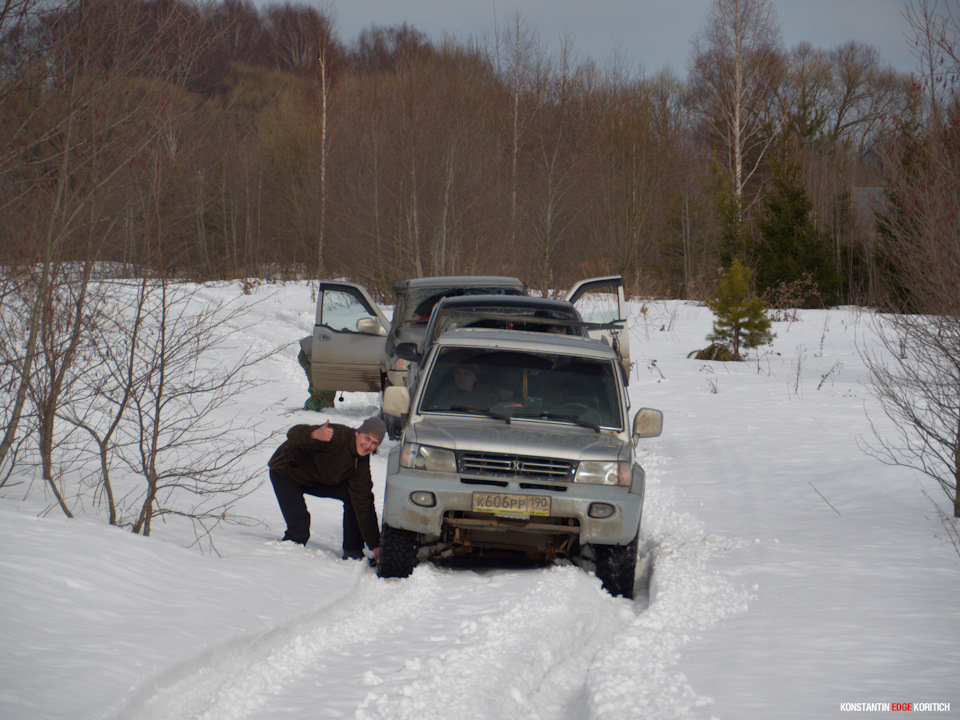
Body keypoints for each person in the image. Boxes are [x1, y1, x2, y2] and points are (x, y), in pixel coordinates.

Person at [268, 416, 385, 561]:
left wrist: (375, 544)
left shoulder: (360, 462)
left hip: (316, 478)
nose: (368, 446)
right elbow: (293, 433)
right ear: (357, 433)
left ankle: (353, 550)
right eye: (366, 438)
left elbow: (364, 501)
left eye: (374, 443)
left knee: (354, 497)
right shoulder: (335, 436)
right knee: (299, 528)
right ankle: (287, 557)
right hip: (287, 473)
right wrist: (314, 434)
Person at [297, 336, 336, 411]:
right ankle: (316, 405)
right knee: (319, 382)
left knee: (321, 382)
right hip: (310, 354)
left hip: (315, 351)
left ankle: (318, 403)